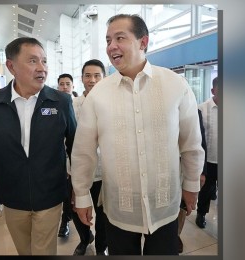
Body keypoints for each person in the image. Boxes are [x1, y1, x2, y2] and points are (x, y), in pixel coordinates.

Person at [71, 14, 204, 255]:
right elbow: (83, 151)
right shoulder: (99, 94)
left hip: (164, 204)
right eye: (108, 39)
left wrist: (192, 183)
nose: (111, 46)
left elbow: (191, 142)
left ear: (143, 42)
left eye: (120, 38)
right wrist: (81, 194)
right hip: (120, 207)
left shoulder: (175, 84)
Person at [0, 37, 77, 255]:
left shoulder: (60, 102)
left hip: (50, 198)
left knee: (43, 251)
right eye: (33, 61)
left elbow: (76, 150)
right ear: (11, 66)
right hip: (12, 199)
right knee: (24, 251)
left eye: (44, 61)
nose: (42, 68)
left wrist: (79, 193)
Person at [70, 59, 108, 255]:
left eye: (97, 75)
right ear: (82, 78)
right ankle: (85, 238)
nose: (92, 80)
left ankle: (101, 247)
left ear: (104, 77)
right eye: (88, 75)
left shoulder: (111, 103)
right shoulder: (72, 104)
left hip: (105, 171)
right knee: (77, 210)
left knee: (104, 215)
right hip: (79, 170)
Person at [178, 109, 207, 253]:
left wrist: (202, 172)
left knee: (182, 207)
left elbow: (200, 143)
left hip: (184, 170)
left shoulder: (194, 111)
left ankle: (176, 234)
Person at [196, 76, 219, 229]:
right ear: (213, 90)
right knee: (206, 191)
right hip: (209, 160)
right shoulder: (202, 109)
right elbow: (198, 139)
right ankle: (201, 214)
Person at [56, 73, 75, 238]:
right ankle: (65, 221)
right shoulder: (54, 107)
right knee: (67, 194)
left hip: (82, 157)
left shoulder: (81, 104)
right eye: (61, 84)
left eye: (67, 84)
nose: (64, 87)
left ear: (73, 86)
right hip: (63, 159)